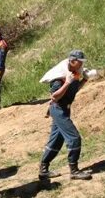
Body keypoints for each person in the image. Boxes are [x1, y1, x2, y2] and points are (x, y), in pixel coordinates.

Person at [38, 50, 92, 181]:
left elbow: (73, 90)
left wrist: (84, 79)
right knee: (74, 137)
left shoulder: (74, 72)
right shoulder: (59, 78)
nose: (81, 65)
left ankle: (43, 170)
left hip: (64, 109)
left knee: (56, 140)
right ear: (72, 61)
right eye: (79, 62)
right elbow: (55, 96)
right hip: (58, 109)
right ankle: (74, 171)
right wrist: (67, 82)